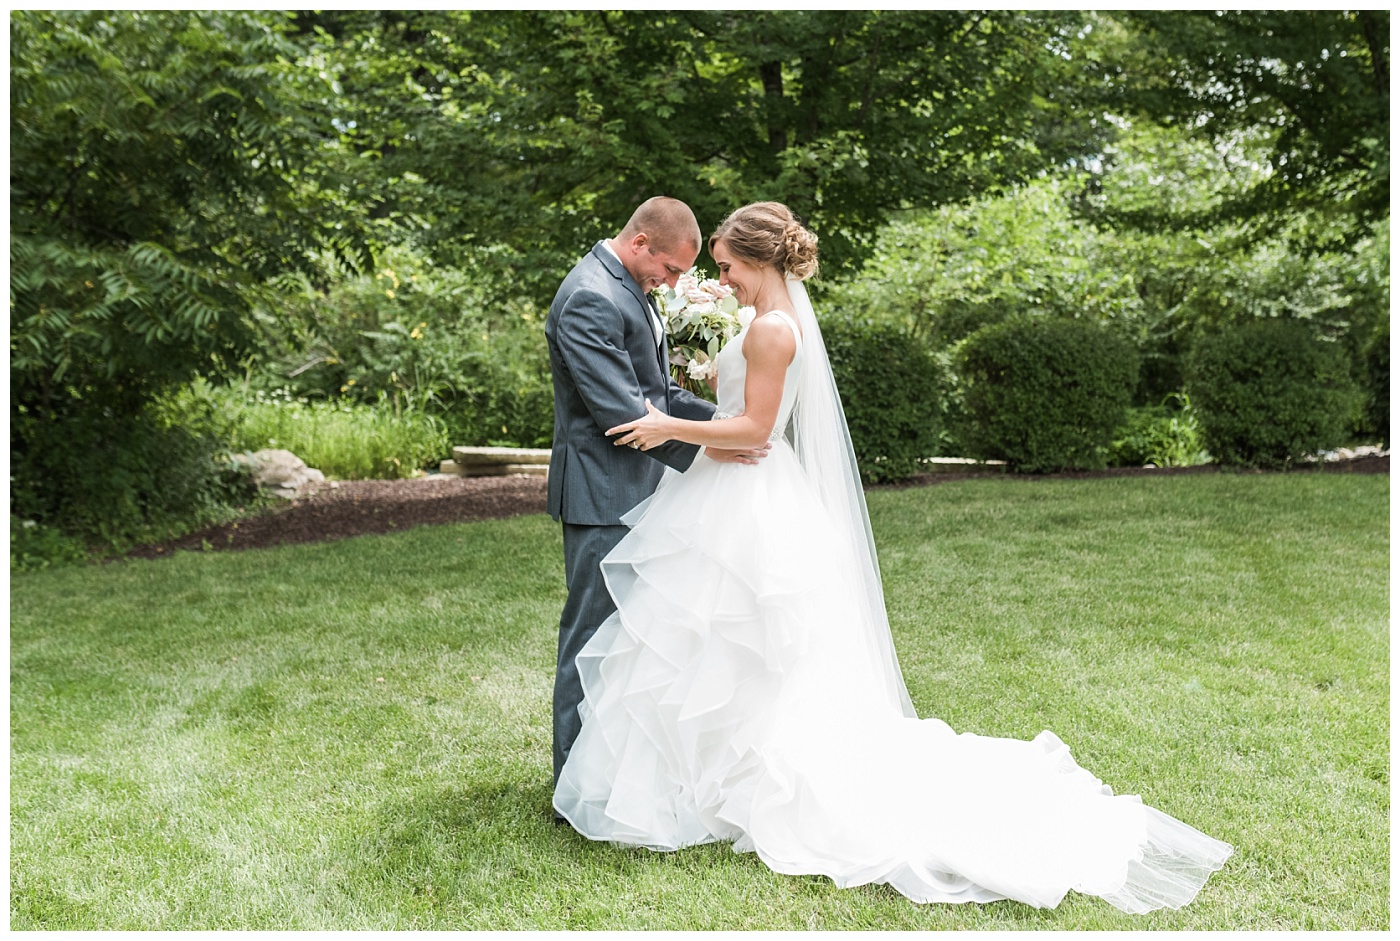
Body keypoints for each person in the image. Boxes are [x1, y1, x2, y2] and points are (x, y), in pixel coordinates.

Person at [552, 201, 1233, 912]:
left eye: (725, 267)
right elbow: (738, 417)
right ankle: (705, 773)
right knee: (720, 641)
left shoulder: (775, 329)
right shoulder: (765, 323)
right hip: (733, 492)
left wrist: (665, 421)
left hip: (746, 493)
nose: (719, 281)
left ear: (759, 261)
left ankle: (733, 778)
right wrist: (693, 410)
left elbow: (753, 430)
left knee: (746, 640)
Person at [544, 196, 769, 803]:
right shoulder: (591, 295)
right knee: (593, 638)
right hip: (604, 491)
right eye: (670, 270)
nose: (672, 283)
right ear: (641, 242)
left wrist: (726, 421)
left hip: (638, 488)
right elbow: (624, 412)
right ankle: (574, 786)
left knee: (631, 640)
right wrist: (714, 447)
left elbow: (658, 389)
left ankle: (612, 777)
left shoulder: (628, 286)